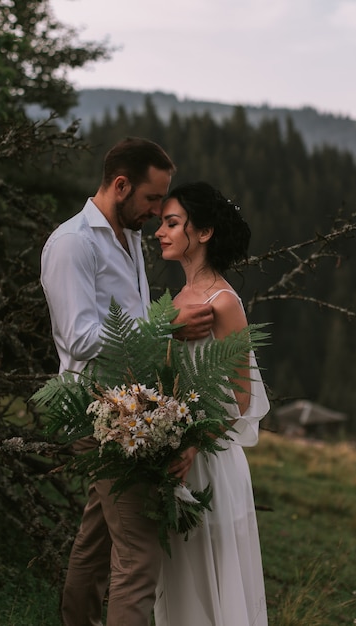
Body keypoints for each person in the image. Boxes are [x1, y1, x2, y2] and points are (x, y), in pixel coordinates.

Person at [40, 138, 214, 626]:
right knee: (139, 559)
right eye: (152, 199)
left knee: (96, 544)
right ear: (120, 185)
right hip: (97, 416)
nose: (158, 212)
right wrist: (165, 327)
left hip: (132, 412)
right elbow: (79, 339)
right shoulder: (73, 243)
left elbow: (125, 322)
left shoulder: (128, 237)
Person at [154, 181, 270, 626]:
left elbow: (242, 394)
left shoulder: (223, 302)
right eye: (162, 223)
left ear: (202, 233)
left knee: (214, 581)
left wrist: (193, 444)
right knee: (179, 580)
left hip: (209, 460)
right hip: (172, 453)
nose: (160, 232)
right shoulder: (176, 301)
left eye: (172, 223)